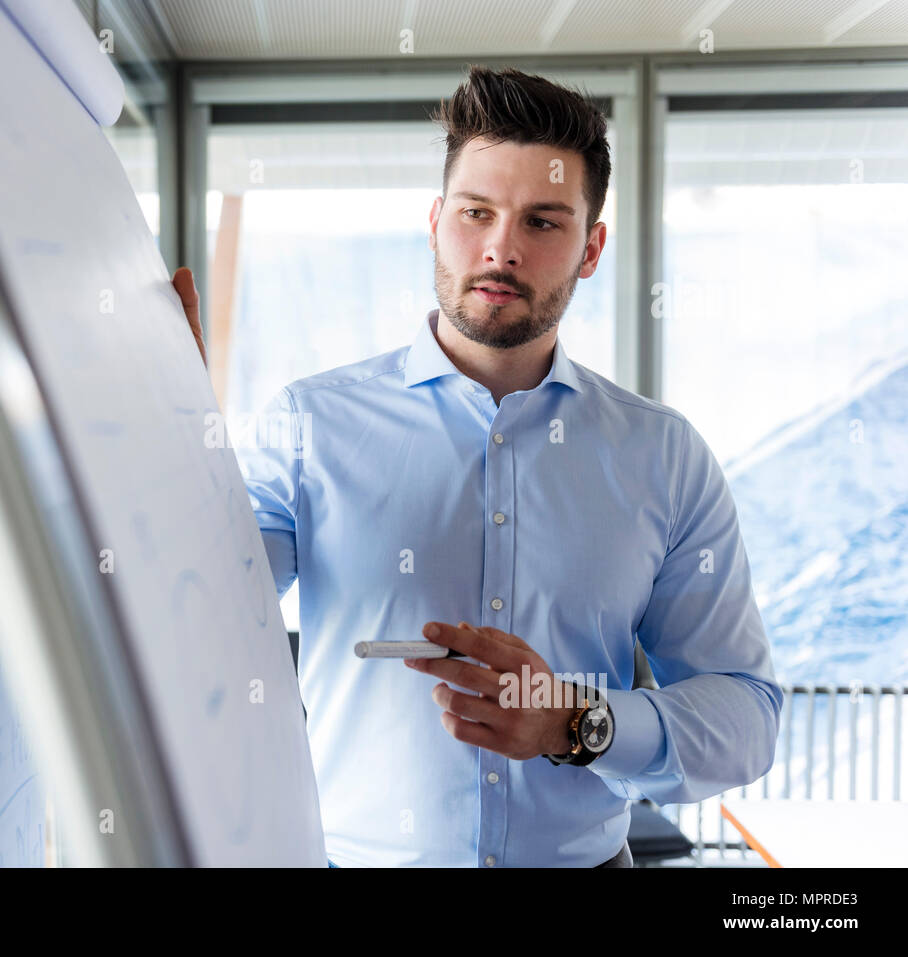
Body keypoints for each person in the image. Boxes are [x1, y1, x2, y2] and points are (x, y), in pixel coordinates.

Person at [170, 66, 782, 868]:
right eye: (477, 213)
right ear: (435, 222)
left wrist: (575, 721)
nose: (501, 246)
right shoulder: (309, 425)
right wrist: (166, 448)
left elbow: (747, 715)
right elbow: (191, 607)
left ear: (591, 248)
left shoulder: (663, 457)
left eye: (543, 221)